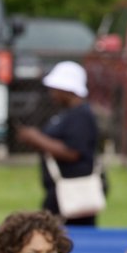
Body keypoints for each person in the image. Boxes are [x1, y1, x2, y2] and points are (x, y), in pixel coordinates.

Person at [16, 61, 102, 226]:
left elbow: (73, 152)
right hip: (59, 192)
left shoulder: (81, 116)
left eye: (55, 88)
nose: (52, 93)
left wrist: (36, 138)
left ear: (67, 89)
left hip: (74, 193)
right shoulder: (67, 114)